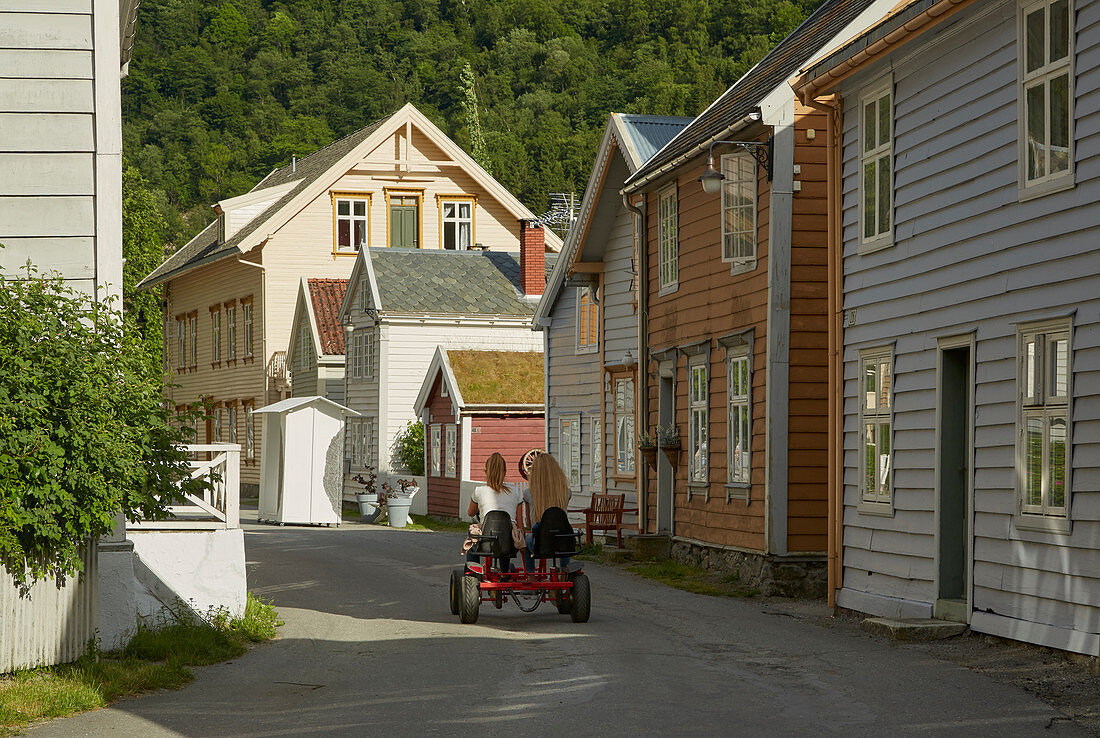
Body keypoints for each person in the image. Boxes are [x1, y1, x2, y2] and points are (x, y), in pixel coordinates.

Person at [466, 453, 528, 565]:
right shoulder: (515, 491)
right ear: (505, 472)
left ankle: (474, 569)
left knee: (471, 537)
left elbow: (470, 513)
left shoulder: (479, 491)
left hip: (486, 536)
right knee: (507, 531)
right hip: (508, 540)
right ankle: (504, 571)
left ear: (486, 471)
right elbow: (519, 521)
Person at [524, 453, 572, 570]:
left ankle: (530, 576)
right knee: (565, 535)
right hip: (562, 539)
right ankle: (564, 571)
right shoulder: (566, 492)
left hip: (539, 542)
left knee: (527, 541)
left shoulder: (529, 493)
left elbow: (529, 524)